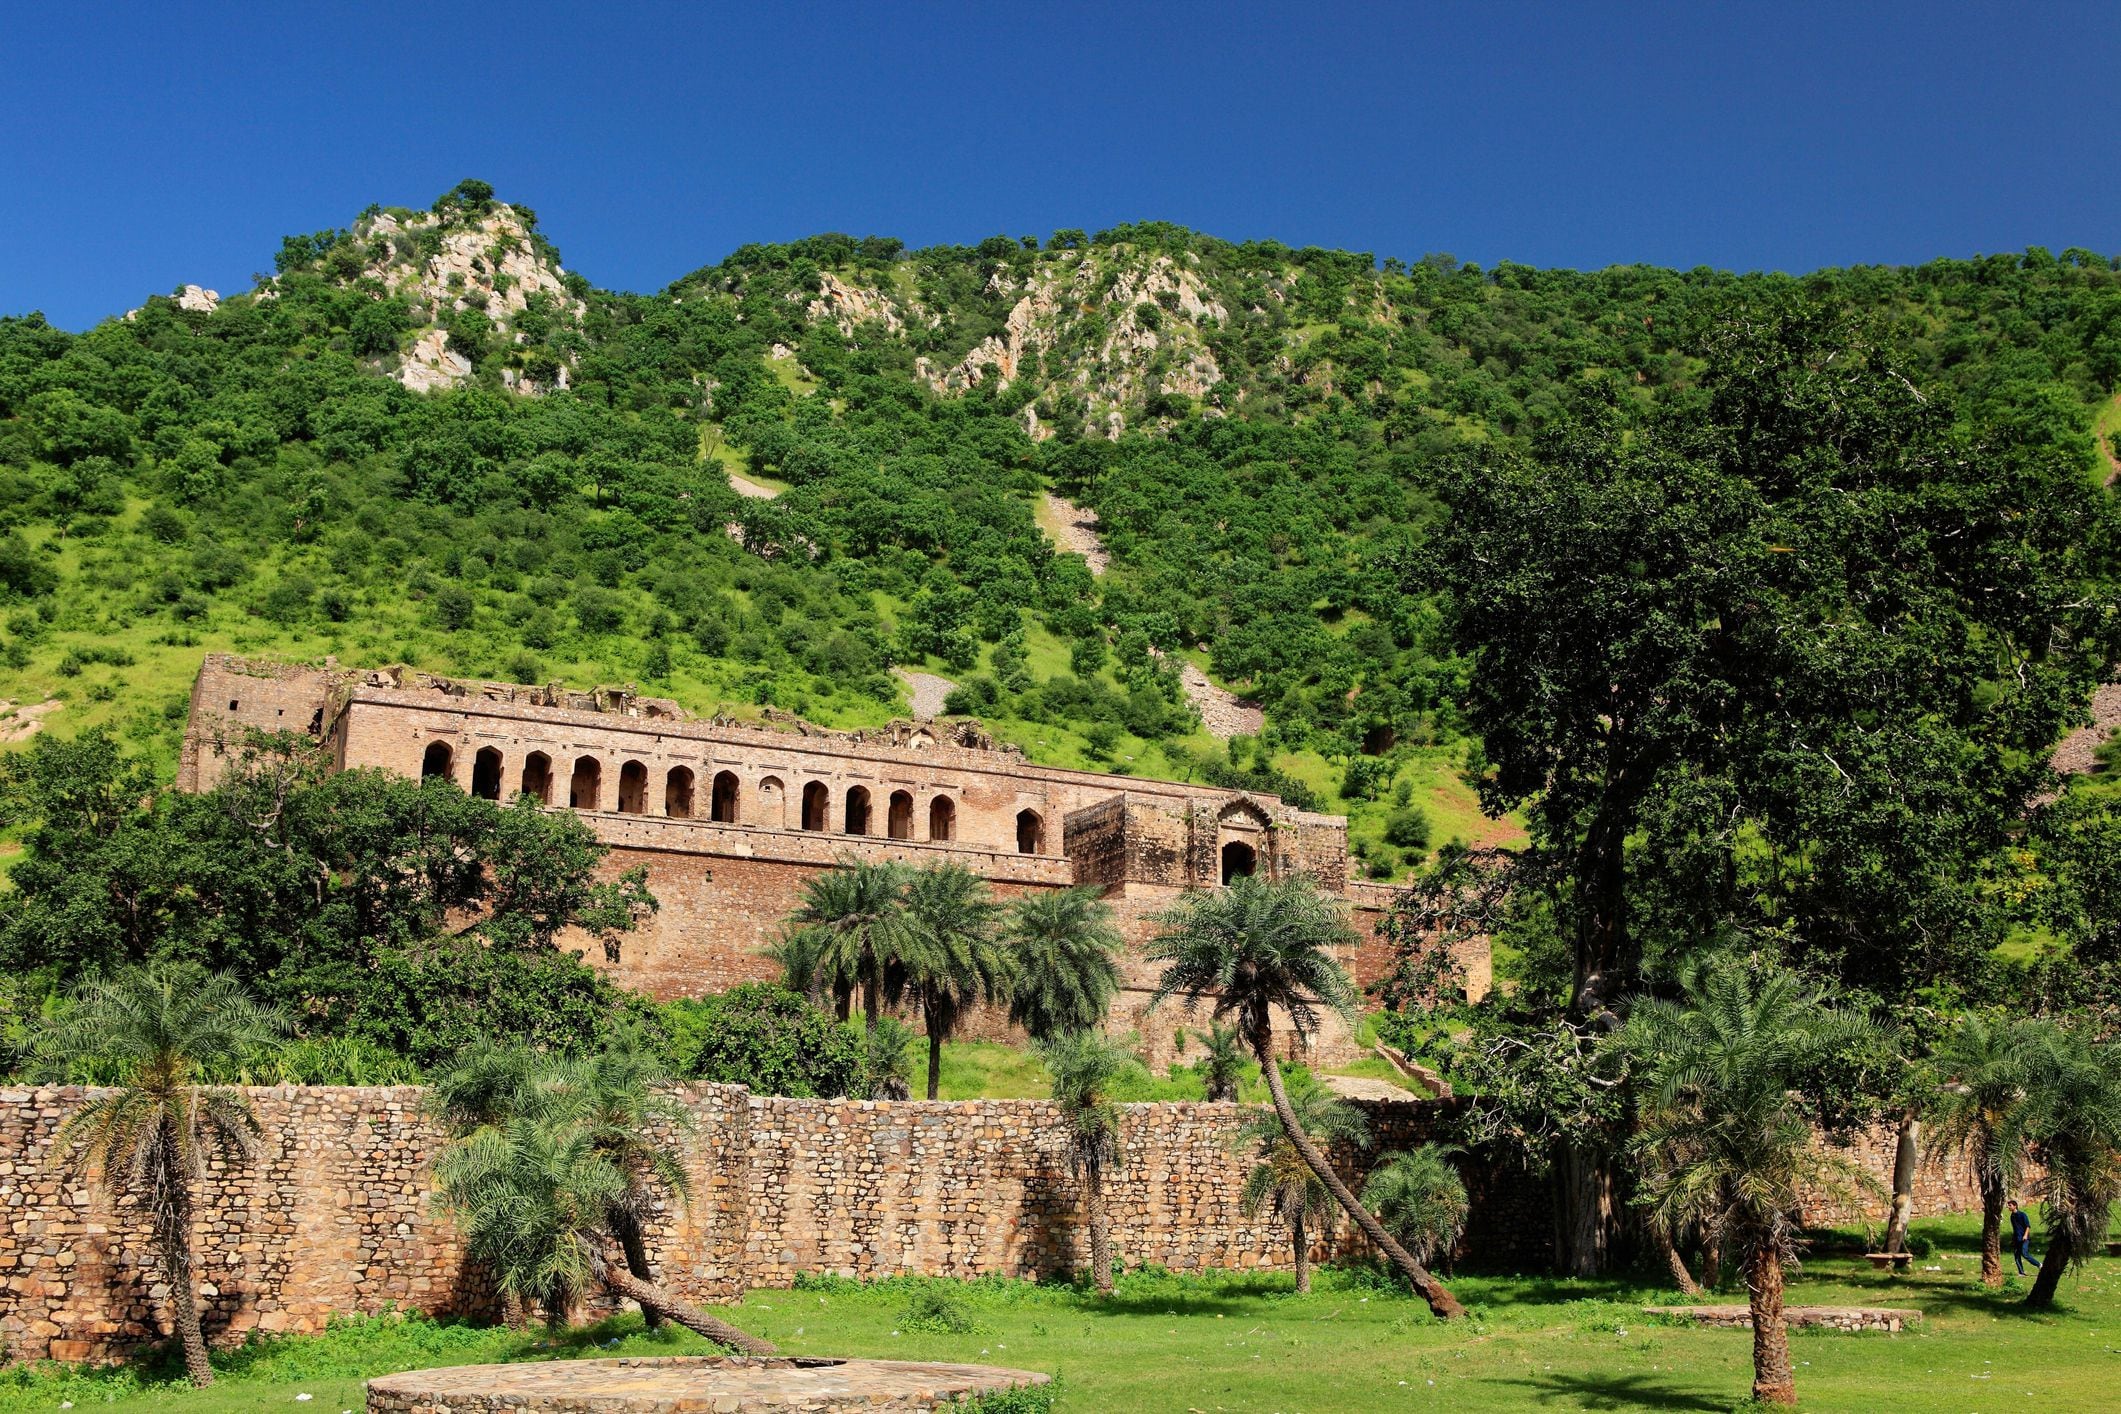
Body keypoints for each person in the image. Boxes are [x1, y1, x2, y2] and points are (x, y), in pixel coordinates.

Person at [2008, 1199, 2041, 1275]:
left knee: (2024, 1253)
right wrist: (2013, 1239)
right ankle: (2021, 1272)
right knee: (2016, 1256)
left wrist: (2025, 1235)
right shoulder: (2012, 1216)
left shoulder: (2022, 1214)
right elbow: (2015, 1228)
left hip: (2024, 1238)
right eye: (2008, 1205)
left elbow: (2028, 1226)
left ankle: (2039, 1264)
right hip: (2017, 1238)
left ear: (2015, 1206)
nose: (2008, 1207)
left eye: (2010, 1205)